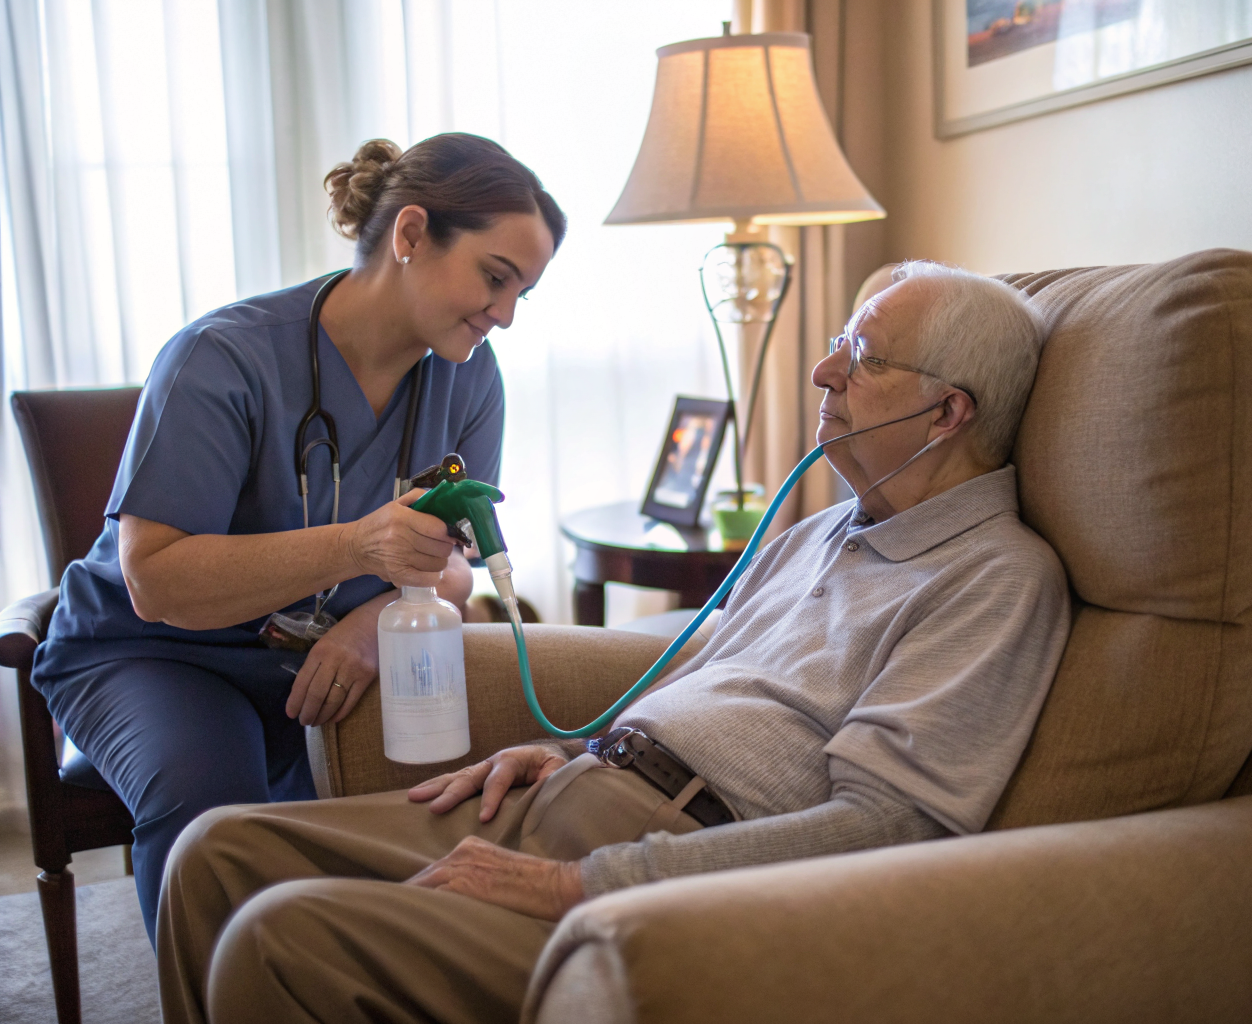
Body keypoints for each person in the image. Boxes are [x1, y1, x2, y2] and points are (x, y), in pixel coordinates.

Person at [157, 261, 1071, 1024]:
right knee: (217, 853)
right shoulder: (823, 531)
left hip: (668, 871)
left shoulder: (993, 579)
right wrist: (564, 749)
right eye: (837, 343)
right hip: (585, 788)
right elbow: (714, 681)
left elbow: (890, 827)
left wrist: (581, 884)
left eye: (861, 356)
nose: (823, 372)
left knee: (281, 936)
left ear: (948, 414)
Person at [30, 133, 567, 943]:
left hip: (322, 658)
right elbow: (156, 580)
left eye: (523, 292)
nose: (506, 315)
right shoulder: (224, 358)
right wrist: (357, 548)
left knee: (443, 792)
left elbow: (451, 569)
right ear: (411, 234)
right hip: (150, 650)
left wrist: (367, 630)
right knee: (213, 814)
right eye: (496, 279)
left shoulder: (470, 378)